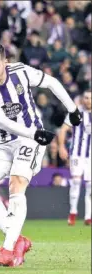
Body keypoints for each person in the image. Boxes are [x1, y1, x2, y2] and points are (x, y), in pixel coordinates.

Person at [0, 42, 82, 267]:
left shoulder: (21, 71)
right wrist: (34, 132)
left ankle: (7, 249)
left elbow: (51, 82)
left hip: (29, 140)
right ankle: (18, 240)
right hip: (9, 139)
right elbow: (1, 120)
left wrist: (73, 109)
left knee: (17, 183)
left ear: (5, 63)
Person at [58, 91, 91, 226]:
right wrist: (61, 147)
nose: (88, 100)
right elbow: (63, 130)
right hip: (77, 154)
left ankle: (88, 217)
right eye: (86, 98)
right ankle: (73, 213)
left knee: (90, 186)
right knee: (76, 182)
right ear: (83, 99)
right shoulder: (75, 113)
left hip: (90, 157)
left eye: (91, 98)